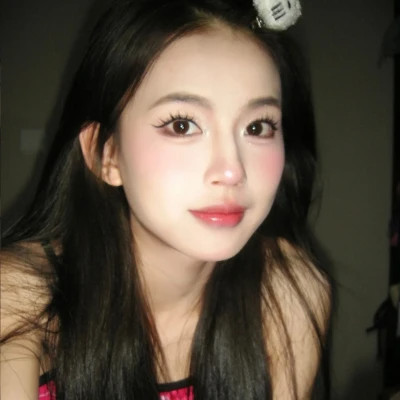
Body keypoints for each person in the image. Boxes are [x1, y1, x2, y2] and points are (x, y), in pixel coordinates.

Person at [0, 0, 331, 399]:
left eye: (258, 127)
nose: (232, 171)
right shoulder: (17, 295)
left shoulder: (287, 291)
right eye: (182, 125)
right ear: (107, 154)